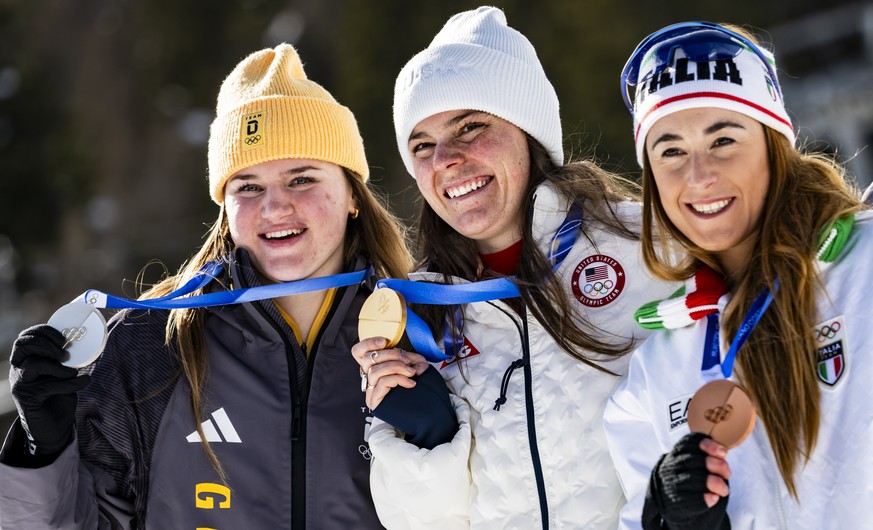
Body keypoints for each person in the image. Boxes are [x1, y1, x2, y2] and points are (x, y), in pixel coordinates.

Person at [0, 44, 411, 528]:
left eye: (302, 179)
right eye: (248, 187)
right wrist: (41, 450)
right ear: (224, 209)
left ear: (353, 196)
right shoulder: (151, 344)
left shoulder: (422, 334)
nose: (275, 208)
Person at [351, 7, 677, 529]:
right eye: (423, 146)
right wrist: (425, 435)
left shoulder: (652, 246)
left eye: (470, 127)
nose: (446, 160)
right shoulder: (418, 315)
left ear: (529, 132)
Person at [603, 21, 873, 530]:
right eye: (670, 151)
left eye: (723, 139)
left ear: (774, 147)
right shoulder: (657, 369)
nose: (699, 176)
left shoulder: (863, 271)